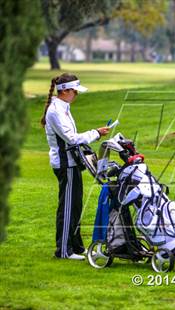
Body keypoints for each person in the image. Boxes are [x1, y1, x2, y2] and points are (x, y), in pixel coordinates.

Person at [40, 73, 110, 260]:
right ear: (66, 91)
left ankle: (77, 248)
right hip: (65, 164)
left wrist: (95, 133)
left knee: (76, 206)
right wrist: (95, 133)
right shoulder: (55, 110)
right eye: (75, 92)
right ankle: (63, 251)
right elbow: (71, 138)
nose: (77, 95)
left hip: (72, 163)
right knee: (67, 208)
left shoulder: (64, 107)